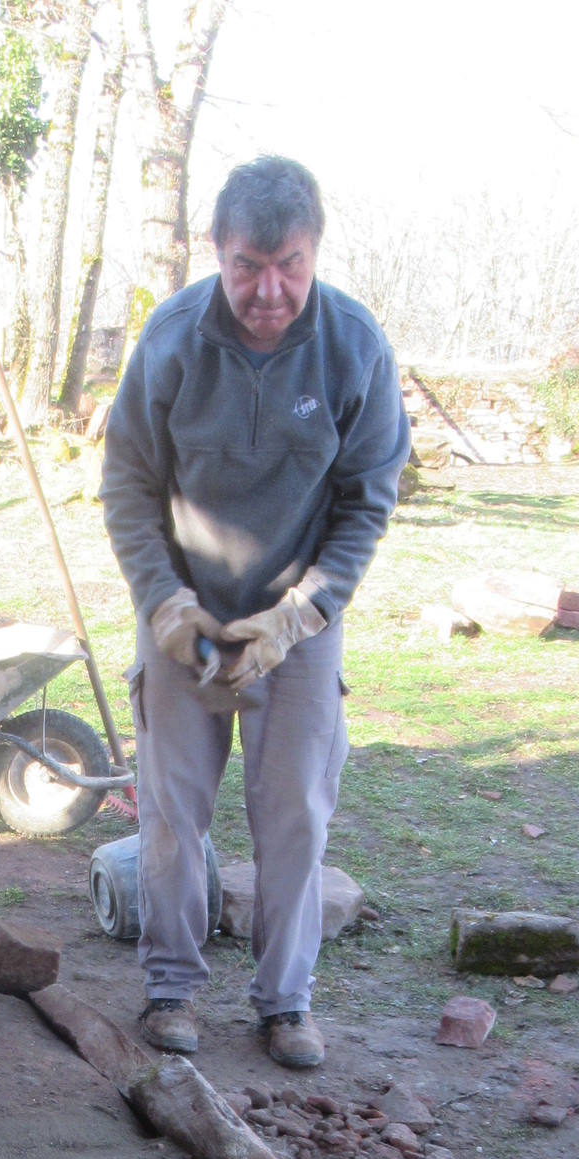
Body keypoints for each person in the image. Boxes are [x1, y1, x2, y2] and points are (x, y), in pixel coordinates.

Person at [101, 155, 409, 1069]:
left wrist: (303, 612)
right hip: (184, 614)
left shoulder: (354, 347)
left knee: (295, 820)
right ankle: (170, 990)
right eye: (247, 266)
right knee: (170, 815)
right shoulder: (172, 340)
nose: (268, 292)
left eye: (289, 266)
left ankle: (285, 1005)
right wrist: (163, 601)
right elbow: (128, 486)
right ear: (217, 250)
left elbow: (367, 501)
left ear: (314, 253)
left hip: (297, 625)